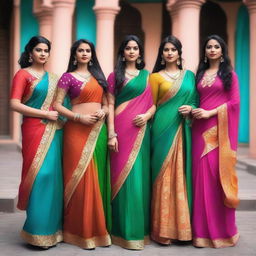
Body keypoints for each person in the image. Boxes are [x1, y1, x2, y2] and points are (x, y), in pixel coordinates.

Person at [54, 39, 111, 249]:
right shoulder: (67, 77)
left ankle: (97, 229)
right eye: (81, 51)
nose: (85, 54)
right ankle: (75, 229)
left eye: (88, 51)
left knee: (97, 177)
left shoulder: (98, 77)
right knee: (76, 177)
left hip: (98, 132)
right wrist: (78, 119)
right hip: (75, 131)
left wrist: (103, 111)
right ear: (75, 54)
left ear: (92, 54)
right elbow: (57, 105)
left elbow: (106, 103)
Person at [10, 36, 63, 248]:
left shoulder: (54, 77)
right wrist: (43, 113)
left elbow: (61, 103)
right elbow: (14, 103)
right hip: (33, 129)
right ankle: (35, 229)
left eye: (46, 50)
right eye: (38, 50)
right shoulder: (23, 74)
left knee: (53, 177)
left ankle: (51, 229)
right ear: (30, 52)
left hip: (55, 131)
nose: (42, 54)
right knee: (39, 175)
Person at [107, 35, 155, 250]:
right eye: (128, 48)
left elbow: (155, 104)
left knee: (138, 179)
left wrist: (146, 117)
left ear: (140, 52)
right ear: (123, 52)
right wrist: (111, 134)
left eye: (135, 48)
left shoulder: (148, 77)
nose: (132, 51)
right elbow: (109, 105)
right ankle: (119, 231)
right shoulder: (114, 76)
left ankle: (138, 231)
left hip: (141, 133)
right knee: (119, 178)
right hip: (120, 131)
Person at [191, 34, 240, 248]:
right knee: (199, 178)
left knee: (216, 177)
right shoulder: (199, 74)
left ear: (222, 51)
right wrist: (193, 110)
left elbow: (235, 103)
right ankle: (200, 232)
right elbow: (193, 98)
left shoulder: (229, 74)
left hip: (218, 131)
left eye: (216, 46)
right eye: (209, 46)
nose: (212, 49)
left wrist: (210, 113)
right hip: (198, 130)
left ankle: (223, 231)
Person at [149, 35, 198, 245]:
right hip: (162, 128)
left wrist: (192, 108)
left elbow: (196, 100)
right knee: (162, 175)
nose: (169, 53)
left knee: (181, 175)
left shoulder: (189, 76)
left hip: (183, 129)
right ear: (162, 54)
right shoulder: (155, 77)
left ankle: (182, 229)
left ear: (179, 53)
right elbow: (150, 105)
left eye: (173, 49)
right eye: (166, 50)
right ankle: (162, 230)